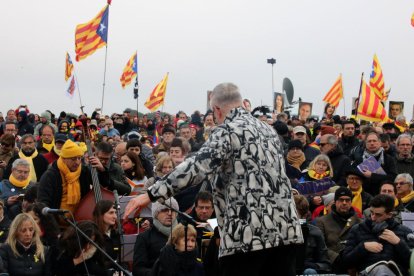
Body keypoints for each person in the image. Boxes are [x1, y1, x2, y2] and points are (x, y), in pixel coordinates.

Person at [125, 82, 303, 276]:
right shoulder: (269, 131)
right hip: (286, 233)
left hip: (248, 238)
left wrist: (151, 194)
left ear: (217, 110)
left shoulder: (227, 131)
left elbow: (196, 167)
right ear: (241, 103)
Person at [341, 194, 414, 275]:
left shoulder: (404, 231)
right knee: (380, 270)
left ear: (389, 214)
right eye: (372, 213)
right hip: (367, 272)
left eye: (378, 214)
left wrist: (398, 243)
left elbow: (411, 264)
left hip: (396, 272)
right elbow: (345, 262)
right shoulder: (358, 229)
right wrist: (363, 247)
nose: (373, 217)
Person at [37, 139, 112, 214]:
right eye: (73, 159)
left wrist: (102, 170)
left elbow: (104, 184)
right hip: (56, 221)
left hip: (80, 220)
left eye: (79, 158)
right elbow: (43, 203)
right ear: (63, 159)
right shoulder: (50, 175)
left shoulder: (84, 172)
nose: (77, 162)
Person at [315, 187, 362, 273]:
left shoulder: (359, 222)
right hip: (331, 265)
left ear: (351, 202)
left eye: (347, 200)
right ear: (335, 202)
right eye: (341, 200)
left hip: (354, 266)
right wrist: (336, 258)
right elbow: (320, 246)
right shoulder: (321, 221)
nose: (344, 203)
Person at [133, 199, 179, 276]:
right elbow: (137, 269)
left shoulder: (183, 234)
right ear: (156, 214)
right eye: (165, 210)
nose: (170, 213)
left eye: (173, 210)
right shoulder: (144, 237)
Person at [294, 195, 331, 275]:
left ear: (304, 215)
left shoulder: (315, 232)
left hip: (306, 271)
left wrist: (310, 265)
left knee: (310, 272)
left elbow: (325, 264)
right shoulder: (279, 233)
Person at [92, 200, 120, 270]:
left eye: (115, 213)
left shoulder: (116, 233)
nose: (115, 216)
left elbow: (122, 259)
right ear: (100, 214)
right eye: (111, 213)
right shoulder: (93, 235)